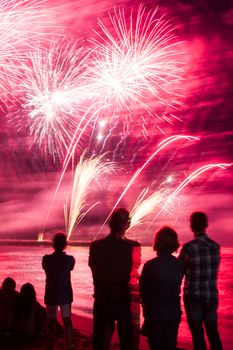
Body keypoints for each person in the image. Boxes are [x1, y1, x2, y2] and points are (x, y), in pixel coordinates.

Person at [89, 208, 141, 350]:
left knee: (100, 338)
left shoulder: (95, 246)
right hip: (121, 295)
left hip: (101, 295)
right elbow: (130, 271)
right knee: (126, 338)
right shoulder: (131, 247)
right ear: (126, 224)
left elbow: (93, 267)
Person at [179, 211, 223, 350]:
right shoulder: (216, 247)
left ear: (192, 226)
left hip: (193, 296)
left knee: (198, 336)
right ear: (206, 225)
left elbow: (179, 270)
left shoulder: (189, 248)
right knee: (213, 334)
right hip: (211, 296)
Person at [140, 226, 184, 350]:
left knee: (156, 346)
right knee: (170, 345)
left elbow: (143, 292)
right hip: (173, 312)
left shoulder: (150, 266)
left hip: (155, 313)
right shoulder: (179, 265)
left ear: (157, 243)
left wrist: (146, 314)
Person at [42, 232, 75, 350]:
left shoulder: (46, 259)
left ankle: (50, 345)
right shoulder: (70, 259)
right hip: (65, 293)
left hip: (51, 293)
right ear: (66, 244)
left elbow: (45, 268)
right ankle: (69, 346)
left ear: (53, 244)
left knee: (51, 320)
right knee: (67, 320)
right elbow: (70, 268)